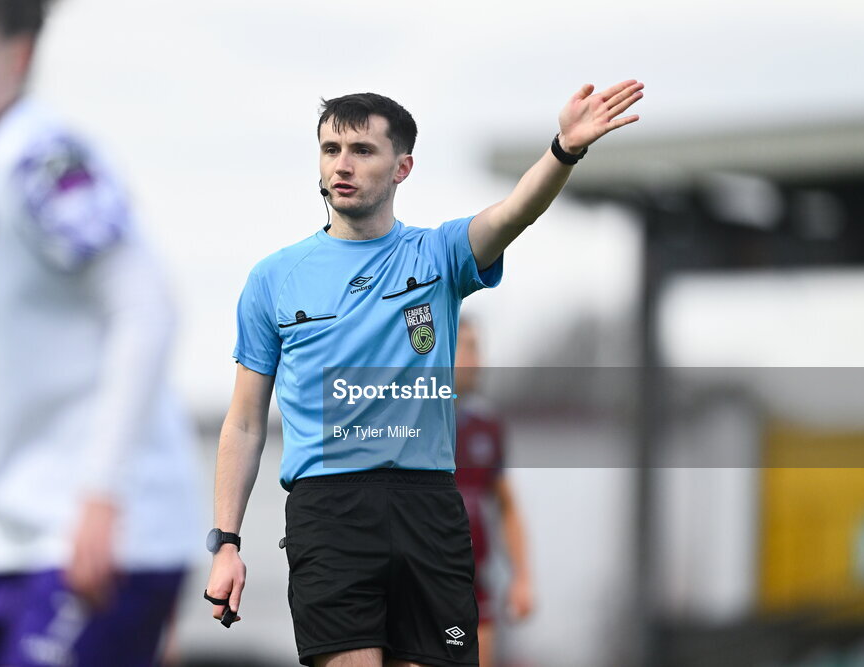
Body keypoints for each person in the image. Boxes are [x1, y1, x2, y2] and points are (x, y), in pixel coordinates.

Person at [206, 84, 643, 667]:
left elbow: (515, 211)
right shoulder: (274, 279)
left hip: (428, 509)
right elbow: (243, 423)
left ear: (402, 166)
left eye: (362, 149)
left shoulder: (437, 256)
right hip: (329, 512)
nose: (342, 163)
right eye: (330, 148)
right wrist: (227, 542)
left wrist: (563, 149)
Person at [0, 0, 201, 664]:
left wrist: (102, 494)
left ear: (18, 54)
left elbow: (147, 307)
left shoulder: (43, 159)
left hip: (103, 534)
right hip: (3, 542)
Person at [452, 318, 533, 667]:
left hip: (477, 583)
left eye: (478, 348)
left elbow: (507, 506)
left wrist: (522, 578)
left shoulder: (487, 423)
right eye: (467, 347)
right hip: (422, 583)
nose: (477, 359)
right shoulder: (407, 419)